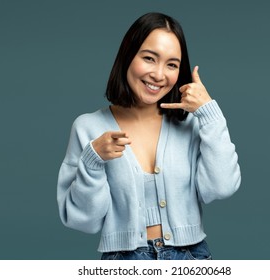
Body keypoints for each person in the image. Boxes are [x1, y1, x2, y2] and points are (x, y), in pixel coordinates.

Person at [57, 12, 241, 260]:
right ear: (128, 56)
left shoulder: (191, 124)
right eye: (149, 58)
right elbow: (83, 220)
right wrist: (93, 161)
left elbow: (221, 188)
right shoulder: (88, 127)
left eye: (172, 64)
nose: (159, 74)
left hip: (191, 257)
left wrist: (210, 114)